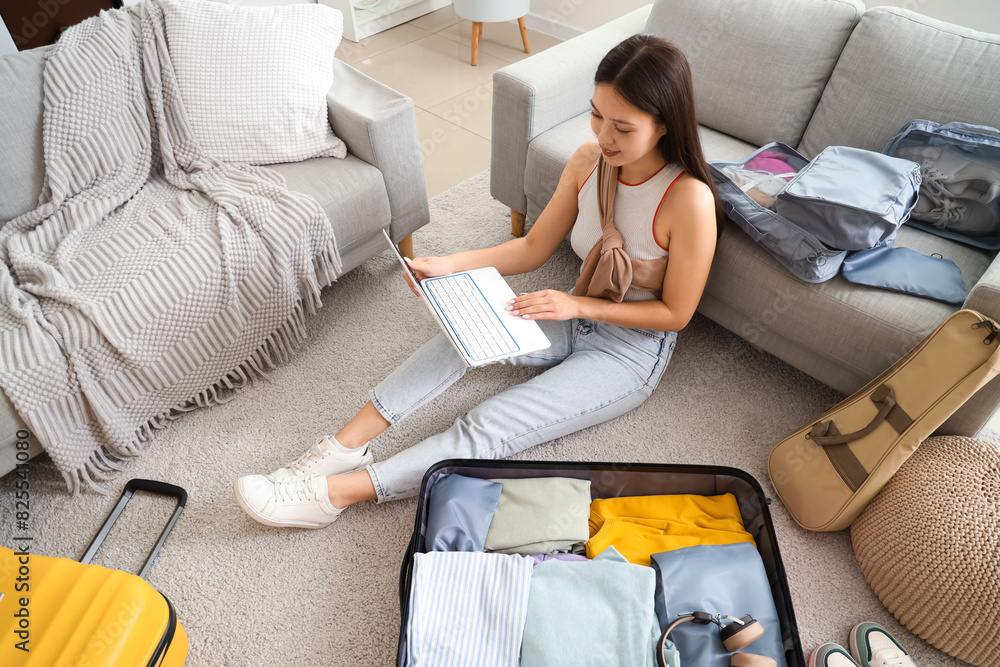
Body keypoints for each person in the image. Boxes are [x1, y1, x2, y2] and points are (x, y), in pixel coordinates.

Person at [234, 34, 724, 529]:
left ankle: (333, 496)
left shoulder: (689, 201)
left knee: (491, 423)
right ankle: (342, 448)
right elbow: (533, 248)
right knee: (460, 335)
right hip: (570, 311)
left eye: (622, 126)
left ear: (663, 124)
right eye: (596, 114)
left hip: (628, 352)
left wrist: (578, 308)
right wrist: (450, 264)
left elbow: (675, 315)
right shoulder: (587, 161)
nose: (604, 135)